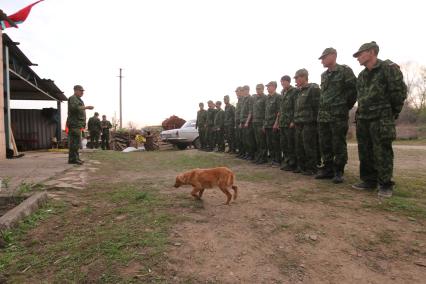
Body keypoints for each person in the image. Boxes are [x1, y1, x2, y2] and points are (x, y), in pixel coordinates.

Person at [352, 41, 407, 198]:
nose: (358, 58)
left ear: (371, 52)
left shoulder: (388, 69)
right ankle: (369, 180)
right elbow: (360, 98)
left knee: (382, 151)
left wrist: (390, 114)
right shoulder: (362, 75)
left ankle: (385, 184)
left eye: (360, 54)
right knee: (365, 150)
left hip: (381, 117)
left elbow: (399, 93)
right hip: (363, 118)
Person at [316, 48, 357, 183]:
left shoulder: (345, 71)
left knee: (338, 143)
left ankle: (338, 171)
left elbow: (353, 91)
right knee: (325, 143)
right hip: (323, 116)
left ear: (333, 56)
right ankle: (328, 169)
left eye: (324, 57)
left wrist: (344, 106)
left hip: (338, 115)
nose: (322, 60)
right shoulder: (324, 75)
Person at [293, 69, 321, 175]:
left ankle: (311, 168)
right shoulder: (299, 91)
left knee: (309, 146)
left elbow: (317, 106)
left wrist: (316, 121)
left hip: (309, 122)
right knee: (299, 146)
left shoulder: (313, 88)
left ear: (304, 77)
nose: (296, 80)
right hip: (299, 122)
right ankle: (302, 166)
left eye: (297, 78)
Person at [67, 85, 94, 165]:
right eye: (81, 91)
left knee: (75, 142)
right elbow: (74, 108)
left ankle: (74, 158)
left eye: (83, 91)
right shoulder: (73, 98)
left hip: (78, 124)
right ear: (75, 90)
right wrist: (86, 107)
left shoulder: (79, 99)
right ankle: (74, 159)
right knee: (75, 142)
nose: (82, 92)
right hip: (74, 123)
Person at [279, 75, 298, 171]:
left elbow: (296, 107)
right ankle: (287, 161)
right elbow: (281, 109)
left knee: (291, 144)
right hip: (282, 122)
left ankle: (293, 163)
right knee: (284, 144)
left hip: (290, 122)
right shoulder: (282, 92)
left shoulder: (294, 91)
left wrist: (293, 121)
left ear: (288, 82)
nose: (282, 83)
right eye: (281, 82)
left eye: (284, 81)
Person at [264, 81, 281, 167]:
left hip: (273, 124)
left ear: (274, 87)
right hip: (267, 124)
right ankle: (273, 160)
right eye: (267, 87)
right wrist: (264, 125)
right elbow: (266, 112)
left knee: (275, 143)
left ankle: (277, 161)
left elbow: (279, 111)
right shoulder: (268, 98)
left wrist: (276, 123)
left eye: (268, 86)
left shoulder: (278, 97)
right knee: (269, 143)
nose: (267, 88)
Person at [252, 84, 267, 164]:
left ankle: (263, 158)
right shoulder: (255, 98)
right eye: (257, 89)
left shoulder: (265, 98)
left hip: (261, 122)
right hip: (255, 122)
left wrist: (264, 124)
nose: (258, 90)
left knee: (262, 141)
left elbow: (266, 111)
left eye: (259, 89)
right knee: (257, 141)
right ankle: (259, 156)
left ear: (263, 89)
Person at [239, 85, 255, 160]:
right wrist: (240, 122)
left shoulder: (250, 98)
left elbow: (250, 111)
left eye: (244, 90)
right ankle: (247, 153)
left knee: (249, 140)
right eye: (242, 90)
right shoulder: (243, 99)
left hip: (247, 122)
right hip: (242, 121)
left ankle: (251, 155)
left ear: (247, 90)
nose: (242, 91)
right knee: (244, 139)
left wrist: (247, 122)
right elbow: (242, 111)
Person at [234, 87, 244, 157]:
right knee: (239, 138)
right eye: (236, 92)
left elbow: (242, 112)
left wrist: (241, 122)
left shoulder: (243, 99)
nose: (236, 93)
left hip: (242, 122)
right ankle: (241, 152)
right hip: (237, 122)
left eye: (237, 91)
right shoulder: (239, 100)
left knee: (243, 138)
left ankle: (244, 153)